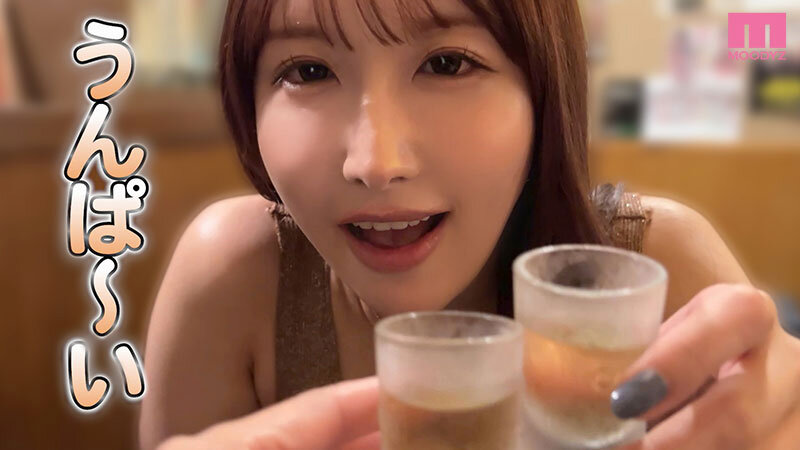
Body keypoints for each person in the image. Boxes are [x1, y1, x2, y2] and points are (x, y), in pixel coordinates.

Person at [138, 0, 800, 449]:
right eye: (308, 70)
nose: (376, 163)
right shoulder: (232, 281)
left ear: (542, 87)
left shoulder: (657, 275)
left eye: (447, 63)